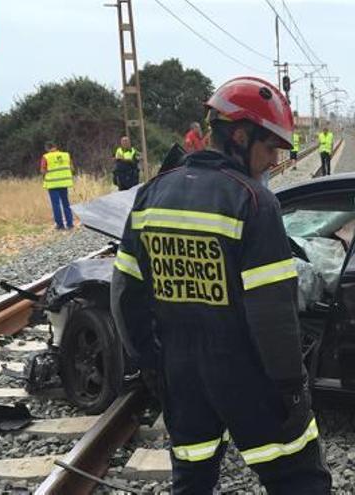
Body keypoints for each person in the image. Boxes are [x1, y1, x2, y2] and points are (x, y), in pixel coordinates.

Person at [110, 76, 331, 495]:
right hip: (248, 373)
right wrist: (290, 386)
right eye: (269, 149)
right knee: (299, 478)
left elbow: (124, 292)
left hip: (180, 372)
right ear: (241, 136)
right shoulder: (252, 201)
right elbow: (272, 312)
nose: (272, 162)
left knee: (192, 479)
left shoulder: (151, 194)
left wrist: (151, 362)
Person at [39, 141, 74, 230]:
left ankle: (60, 225)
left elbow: (43, 170)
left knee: (56, 205)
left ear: (47, 148)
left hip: (53, 184)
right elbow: (72, 168)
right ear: (56, 146)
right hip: (64, 183)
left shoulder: (46, 157)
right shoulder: (66, 155)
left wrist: (46, 174)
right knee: (66, 203)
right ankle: (70, 224)